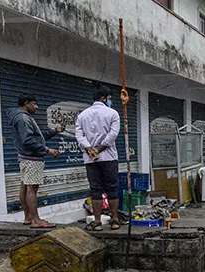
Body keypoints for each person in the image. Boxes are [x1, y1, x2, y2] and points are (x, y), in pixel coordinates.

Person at [8, 94, 63, 228]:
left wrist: (55, 131)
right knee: (32, 187)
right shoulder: (23, 118)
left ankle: (28, 217)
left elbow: (37, 137)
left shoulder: (21, 117)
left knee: (26, 187)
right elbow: (27, 140)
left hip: (25, 157)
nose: (36, 107)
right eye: (34, 104)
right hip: (31, 158)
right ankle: (36, 220)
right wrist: (46, 150)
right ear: (26, 104)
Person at [75, 86, 121, 231]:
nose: (110, 101)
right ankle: (114, 220)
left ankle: (97, 222)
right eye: (109, 99)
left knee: (95, 190)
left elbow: (79, 135)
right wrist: (99, 149)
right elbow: (113, 135)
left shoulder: (82, 115)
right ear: (103, 98)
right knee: (112, 189)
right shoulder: (113, 114)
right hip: (108, 157)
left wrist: (89, 149)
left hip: (90, 159)